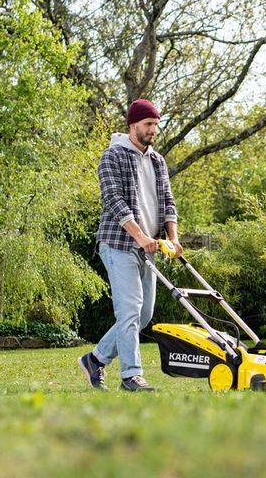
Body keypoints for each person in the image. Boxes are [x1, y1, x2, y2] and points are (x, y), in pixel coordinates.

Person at [78, 98, 183, 392]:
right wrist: (140, 236)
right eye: (148, 124)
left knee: (143, 314)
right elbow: (114, 200)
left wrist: (173, 238)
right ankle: (131, 375)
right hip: (119, 244)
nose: (153, 130)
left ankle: (95, 359)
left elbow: (168, 201)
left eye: (156, 125)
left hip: (149, 247)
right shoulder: (112, 156)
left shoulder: (158, 161)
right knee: (129, 311)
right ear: (133, 124)